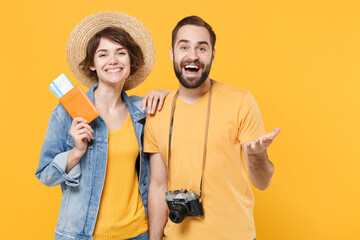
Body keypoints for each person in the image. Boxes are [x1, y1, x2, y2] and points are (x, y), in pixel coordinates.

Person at [144, 16, 281, 240]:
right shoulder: (157, 110)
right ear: (172, 53)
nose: (193, 55)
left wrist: (257, 156)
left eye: (202, 48)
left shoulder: (241, 101)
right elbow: (158, 186)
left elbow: (262, 182)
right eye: (184, 46)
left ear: (212, 55)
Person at [36, 12, 169, 240]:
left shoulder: (142, 111)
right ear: (92, 65)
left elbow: (184, 104)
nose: (113, 60)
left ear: (131, 61)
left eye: (121, 53)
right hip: (81, 235)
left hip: (137, 233)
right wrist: (76, 152)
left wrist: (164, 94)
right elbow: (45, 175)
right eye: (103, 54)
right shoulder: (66, 114)